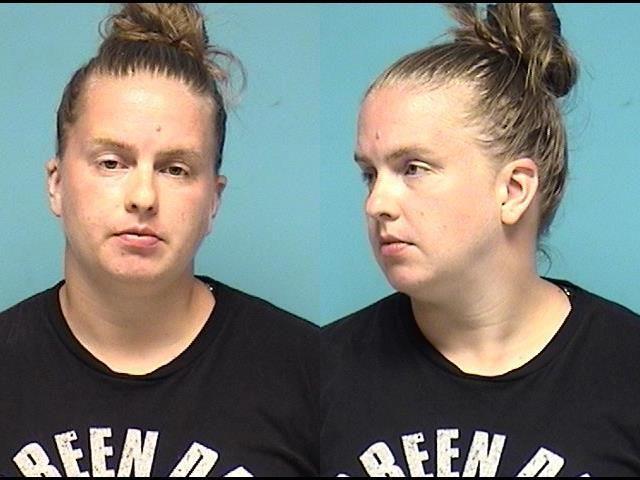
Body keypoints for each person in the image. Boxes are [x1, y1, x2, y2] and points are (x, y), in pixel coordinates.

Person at [319, 3, 640, 477]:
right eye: (371, 174)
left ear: (513, 190)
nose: (376, 204)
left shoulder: (627, 371)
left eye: (413, 168)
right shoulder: (317, 374)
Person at [0, 3, 319, 477]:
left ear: (213, 200)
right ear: (56, 183)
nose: (143, 196)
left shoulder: (310, 372)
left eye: (175, 169)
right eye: (112, 162)